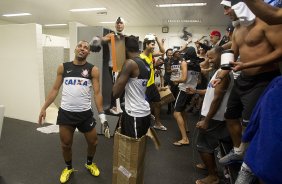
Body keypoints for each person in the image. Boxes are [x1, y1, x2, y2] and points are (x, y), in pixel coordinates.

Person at [214, 1, 282, 182]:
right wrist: (220, 75)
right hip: (243, 79)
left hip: (263, 79)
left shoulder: (266, 23)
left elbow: (280, 51)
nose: (226, 12)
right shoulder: (237, 30)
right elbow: (232, 57)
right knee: (230, 115)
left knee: (251, 125)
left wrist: (247, 65)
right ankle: (239, 151)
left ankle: (250, 166)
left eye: (228, 8)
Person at [38, 40, 109, 183]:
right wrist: (44, 107)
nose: (82, 49)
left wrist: (102, 116)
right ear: (75, 49)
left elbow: (97, 93)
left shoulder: (93, 69)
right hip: (66, 114)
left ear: (89, 52)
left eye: (86, 47)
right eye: (80, 46)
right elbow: (55, 89)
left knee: (93, 142)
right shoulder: (63, 67)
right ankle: (69, 167)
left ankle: (89, 163)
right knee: (65, 145)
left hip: (85, 114)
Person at [188, 46, 233, 184]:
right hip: (212, 115)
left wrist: (206, 120)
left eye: (212, 57)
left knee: (202, 145)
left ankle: (213, 176)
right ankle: (208, 164)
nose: (209, 60)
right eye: (208, 57)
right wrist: (195, 91)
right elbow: (210, 92)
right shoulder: (218, 72)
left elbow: (217, 98)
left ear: (221, 56)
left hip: (213, 117)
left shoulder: (223, 74)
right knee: (208, 144)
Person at [112, 35, 151, 138]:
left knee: (134, 149)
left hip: (135, 113)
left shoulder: (130, 63)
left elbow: (115, 93)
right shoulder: (146, 63)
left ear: (124, 49)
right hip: (143, 110)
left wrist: (120, 70)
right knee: (136, 148)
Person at [172, 47, 201, 146]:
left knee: (176, 113)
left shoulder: (185, 63)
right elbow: (199, 80)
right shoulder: (197, 65)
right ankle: (186, 128)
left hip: (184, 90)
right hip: (191, 91)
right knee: (183, 110)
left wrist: (175, 80)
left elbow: (183, 79)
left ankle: (185, 139)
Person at [140, 34, 166, 131]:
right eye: (152, 44)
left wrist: (157, 39)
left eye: (154, 44)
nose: (154, 46)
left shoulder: (150, 55)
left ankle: (157, 123)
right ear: (146, 45)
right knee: (145, 107)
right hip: (144, 87)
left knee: (158, 103)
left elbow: (163, 51)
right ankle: (144, 127)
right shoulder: (141, 57)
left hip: (152, 85)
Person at [101, 17, 125, 115]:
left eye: (121, 23)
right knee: (116, 87)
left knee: (121, 86)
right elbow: (101, 40)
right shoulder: (111, 35)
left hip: (122, 66)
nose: (119, 25)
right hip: (113, 66)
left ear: (123, 25)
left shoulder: (123, 37)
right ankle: (113, 107)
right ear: (115, 25)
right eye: (117, 23)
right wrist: (107, 38)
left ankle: (117, 105)